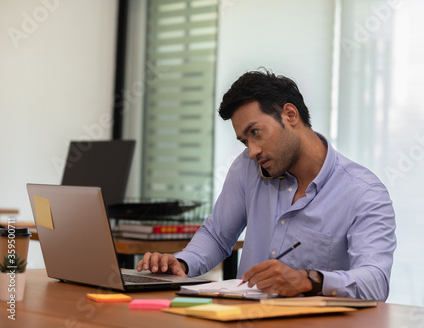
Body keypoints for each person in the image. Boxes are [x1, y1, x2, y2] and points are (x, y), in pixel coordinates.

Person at [137, 69, 397, 301]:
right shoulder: (247, 168)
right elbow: (217, 236)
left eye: (255, 132)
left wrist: (309, 280)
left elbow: (375, 282)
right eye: (244, 141)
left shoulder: (364, 193)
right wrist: (182, 261)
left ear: (290, 115)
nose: (252, 151)